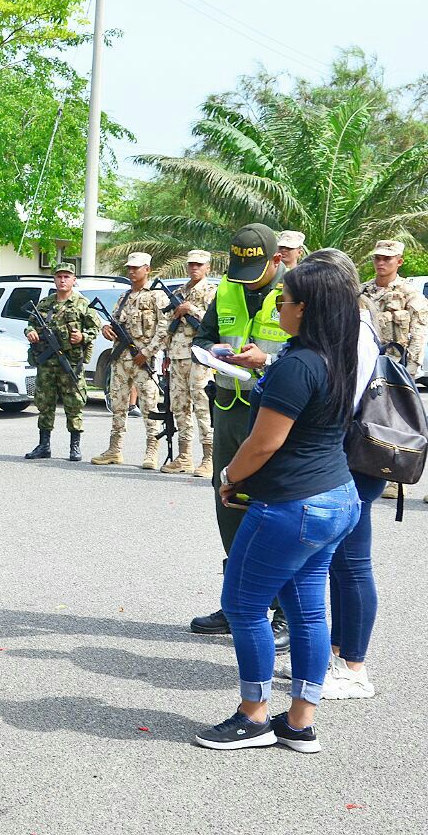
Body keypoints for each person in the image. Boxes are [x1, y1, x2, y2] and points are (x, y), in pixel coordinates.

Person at [195, 252, 361, 753]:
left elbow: (264, 442)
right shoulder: (341, 355)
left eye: (284, 300)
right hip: (336, 499)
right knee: (308, 610)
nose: (278, 305)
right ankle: (300, 721)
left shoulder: (298, 365)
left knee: (243, 605)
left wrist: (229, 476)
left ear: (306, 309)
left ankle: (253, 716)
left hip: (293, 504)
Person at [189, 224, 291, 651]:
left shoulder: (296, 291)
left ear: (276, 260)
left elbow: (315, 348)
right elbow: (203, 335)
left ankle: (285, 611)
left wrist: (266, 357)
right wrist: (211, 350)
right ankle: (238, 603)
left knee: (278, 505)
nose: (245, 277)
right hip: (230, 408)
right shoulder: (227, 289)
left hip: (276, 411)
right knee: (227, 496)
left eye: (254, 268)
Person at [323, 249, 385, 700]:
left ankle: (355, 667)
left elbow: (344, 401)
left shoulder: (357, 331)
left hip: (356, 456)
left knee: (354, 562)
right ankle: (337, 654)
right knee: (341, 563)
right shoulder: (348, 325)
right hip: (346, 454)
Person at [359, 240, 428, 501]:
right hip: (367, 364)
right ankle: (367, 467)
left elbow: (419, 332)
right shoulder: (362, 291)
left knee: (398, 424)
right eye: (377, 257)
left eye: (387, 258)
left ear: (399, 261)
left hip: (395, 370)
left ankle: (396, 476)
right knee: (365, 419)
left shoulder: (411, 294)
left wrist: (410, 371)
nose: (381, 262)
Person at [91, 252, 167, 469]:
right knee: (118, 405)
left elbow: (163, 329)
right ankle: (114, 450)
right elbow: (114, 322)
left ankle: (152, 451)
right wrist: (106, 329)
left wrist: (149, 352)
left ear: (147, 269)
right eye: (130, 268)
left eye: (136, 268)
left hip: (143, 360)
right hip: (121, 360)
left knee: (149, 406)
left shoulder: (156, 296)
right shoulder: (123, 297)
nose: (132, 271)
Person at [24, 263, 99, 461]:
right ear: (54, 279)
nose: (63, 280)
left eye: (67, 276)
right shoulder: (44, 304)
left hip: (71, 362)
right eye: (59, 276)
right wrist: (30, 332)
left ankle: (74, 447)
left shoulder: (83, 304)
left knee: (74, 403)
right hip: (47, 362)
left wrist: (82, 337)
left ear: (74, 280)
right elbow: (30, 324)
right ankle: (44, 446)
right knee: (44, 402)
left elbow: (94, 330)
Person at [160, 249, 218, 477]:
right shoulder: (177, 292)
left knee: (202, 406)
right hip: (177, 356)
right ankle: (184, 456)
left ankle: (209, 458)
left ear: (208, 268)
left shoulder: (212, 292)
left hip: (199, 357)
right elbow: (166, 323)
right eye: (191, 264)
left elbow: (214, 323)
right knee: (180, 406)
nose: (194, 268)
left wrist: (190, 308)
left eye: (199, 265)